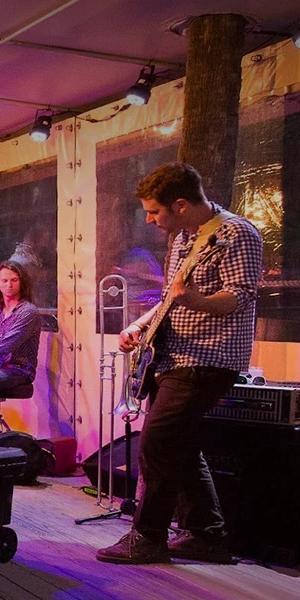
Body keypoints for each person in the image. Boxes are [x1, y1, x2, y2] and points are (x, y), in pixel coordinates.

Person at [101, 162, 262, 566]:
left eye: (155, 212)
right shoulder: (182, 238)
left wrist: (199, 302)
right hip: (172, 356)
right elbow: (171, 298)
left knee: (157, 444)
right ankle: (206, 535)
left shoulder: (237, 233)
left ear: (181, 204)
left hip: (209, 357)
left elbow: (240, 295)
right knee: (181, 448)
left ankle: (149, 537)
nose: (151, 220)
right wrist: (139, 325)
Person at [0, 261, 44, 439]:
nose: (9, 285)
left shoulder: (28, 312)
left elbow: (6, 344)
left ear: (21, 282)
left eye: (14, 280)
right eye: (5, 281)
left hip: (19, 369)